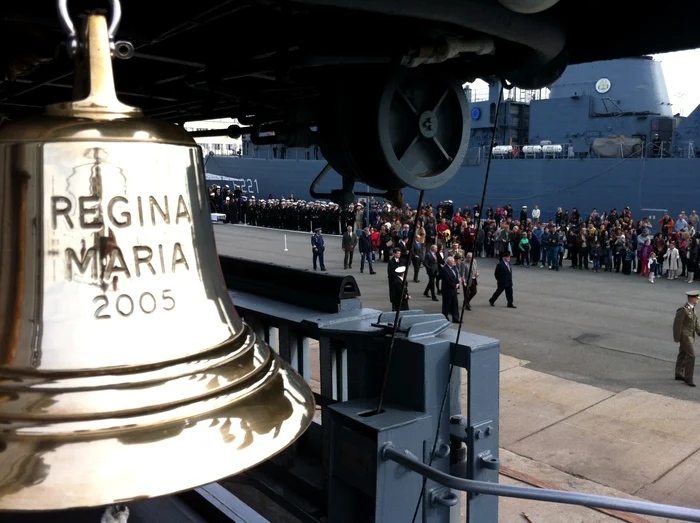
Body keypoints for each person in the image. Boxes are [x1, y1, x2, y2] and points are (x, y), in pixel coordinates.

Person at [673, 289, 700, 387]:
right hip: (685, 336)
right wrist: (677, 338)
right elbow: (677, 325)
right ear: (693, 299)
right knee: (691, 355)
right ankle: (689, 378)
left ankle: (679, 373)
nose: (698, 299)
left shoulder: (693, 309)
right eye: (697, 298)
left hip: (690, 336)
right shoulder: (683, 310)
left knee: (683, 353)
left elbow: (696, 323)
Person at [440, 256, 461, 323]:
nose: (454, 262)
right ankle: (444, 318)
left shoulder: (454, 267)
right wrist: (454, 285)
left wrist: (457, 283)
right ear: (449, 262)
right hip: (447, 290)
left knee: (455, 304)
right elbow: (447, 281)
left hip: (454, 289)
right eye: (452, 261)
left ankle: (455, 318)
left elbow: (456, 276)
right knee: (446, 305)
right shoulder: (445, 270)